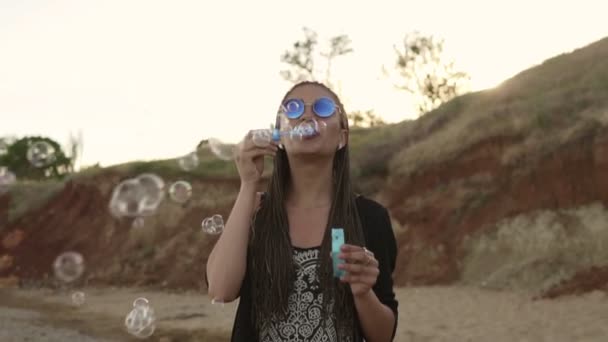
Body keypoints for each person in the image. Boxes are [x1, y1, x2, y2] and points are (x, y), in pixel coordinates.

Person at [206, 81, 398, 341]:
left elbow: (383, 336)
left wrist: (363, 293)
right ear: (279, 137)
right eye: (294, 109)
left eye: (323, 107)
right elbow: (220, 291)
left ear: (342, 138)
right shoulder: (255, 210)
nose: (307, 116)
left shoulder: (370, 218)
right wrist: (248, 184)